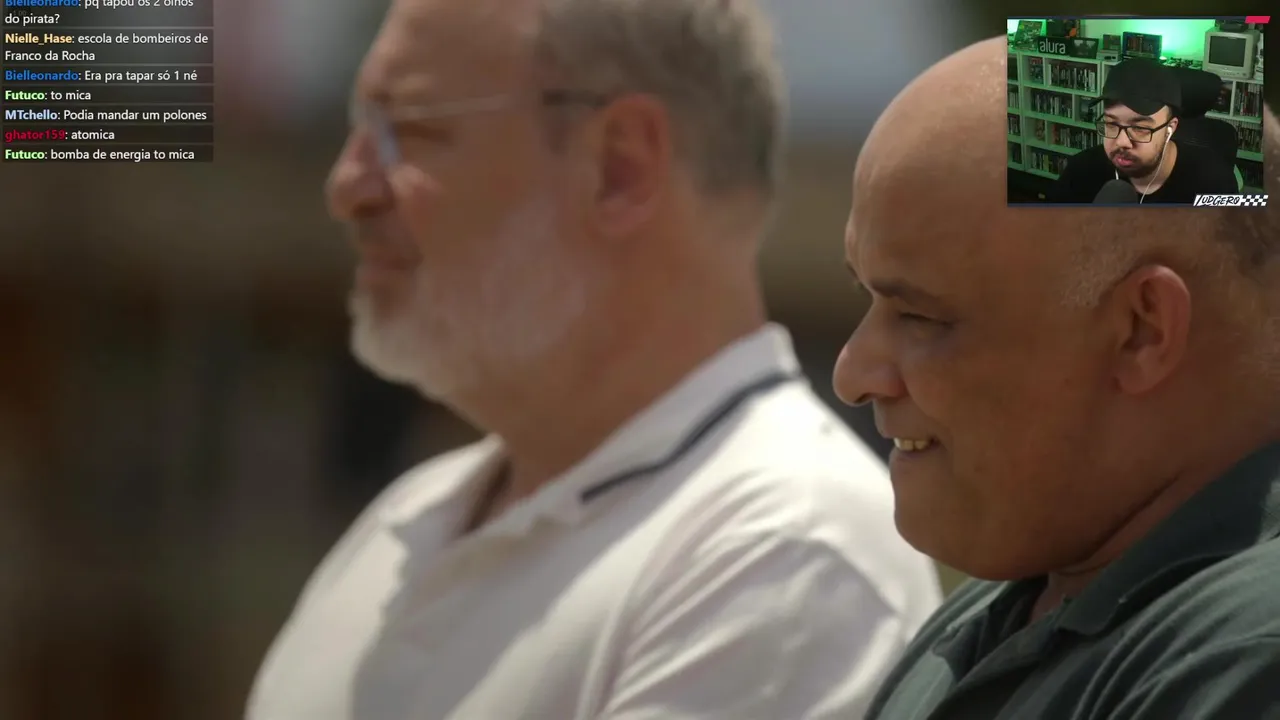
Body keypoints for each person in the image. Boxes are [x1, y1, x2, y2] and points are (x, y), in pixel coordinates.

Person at [246, 0, 942, 718]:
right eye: (361, 128)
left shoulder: (786, 553)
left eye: (413, 129)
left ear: (619, 166)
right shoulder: (403, 523)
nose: (348, 186)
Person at [837, 35, 1279, 719]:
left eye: (921, 316)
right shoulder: (999, 613)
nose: (853, 375)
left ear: (1142, 330)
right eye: (865, 297)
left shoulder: (1246, 655)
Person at [1046, 58, 1239, 204]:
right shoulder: (1081, 170)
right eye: (1111, 124)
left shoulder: (1214, 181)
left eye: (1139, 128)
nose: (1121, 142)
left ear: (1170, 128)